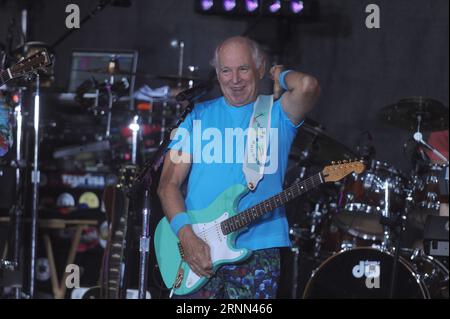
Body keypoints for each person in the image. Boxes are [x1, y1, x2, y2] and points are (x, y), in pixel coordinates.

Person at [157, 36, 320, 299]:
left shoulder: (277, 114)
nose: (235, 79)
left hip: (258, 249)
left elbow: (307, 85)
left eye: (243, 68)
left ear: (259, 68)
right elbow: (168, 185)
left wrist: (278, 74)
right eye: (226, 70)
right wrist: (186, 237)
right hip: (197, 245)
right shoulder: (195, 116)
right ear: (217, 74)